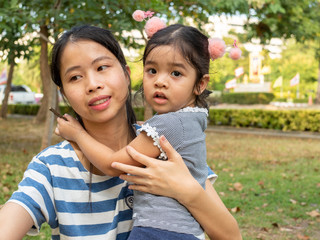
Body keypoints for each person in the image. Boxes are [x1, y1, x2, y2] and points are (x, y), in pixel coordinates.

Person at [0, 25, 241, 240]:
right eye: (75, 77)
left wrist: (187, 191)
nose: (93, 84)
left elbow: (230, 235)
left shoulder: (168, 147)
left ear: (126, 75)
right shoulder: (53, 166)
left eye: (102, 67)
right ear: (64, 94)